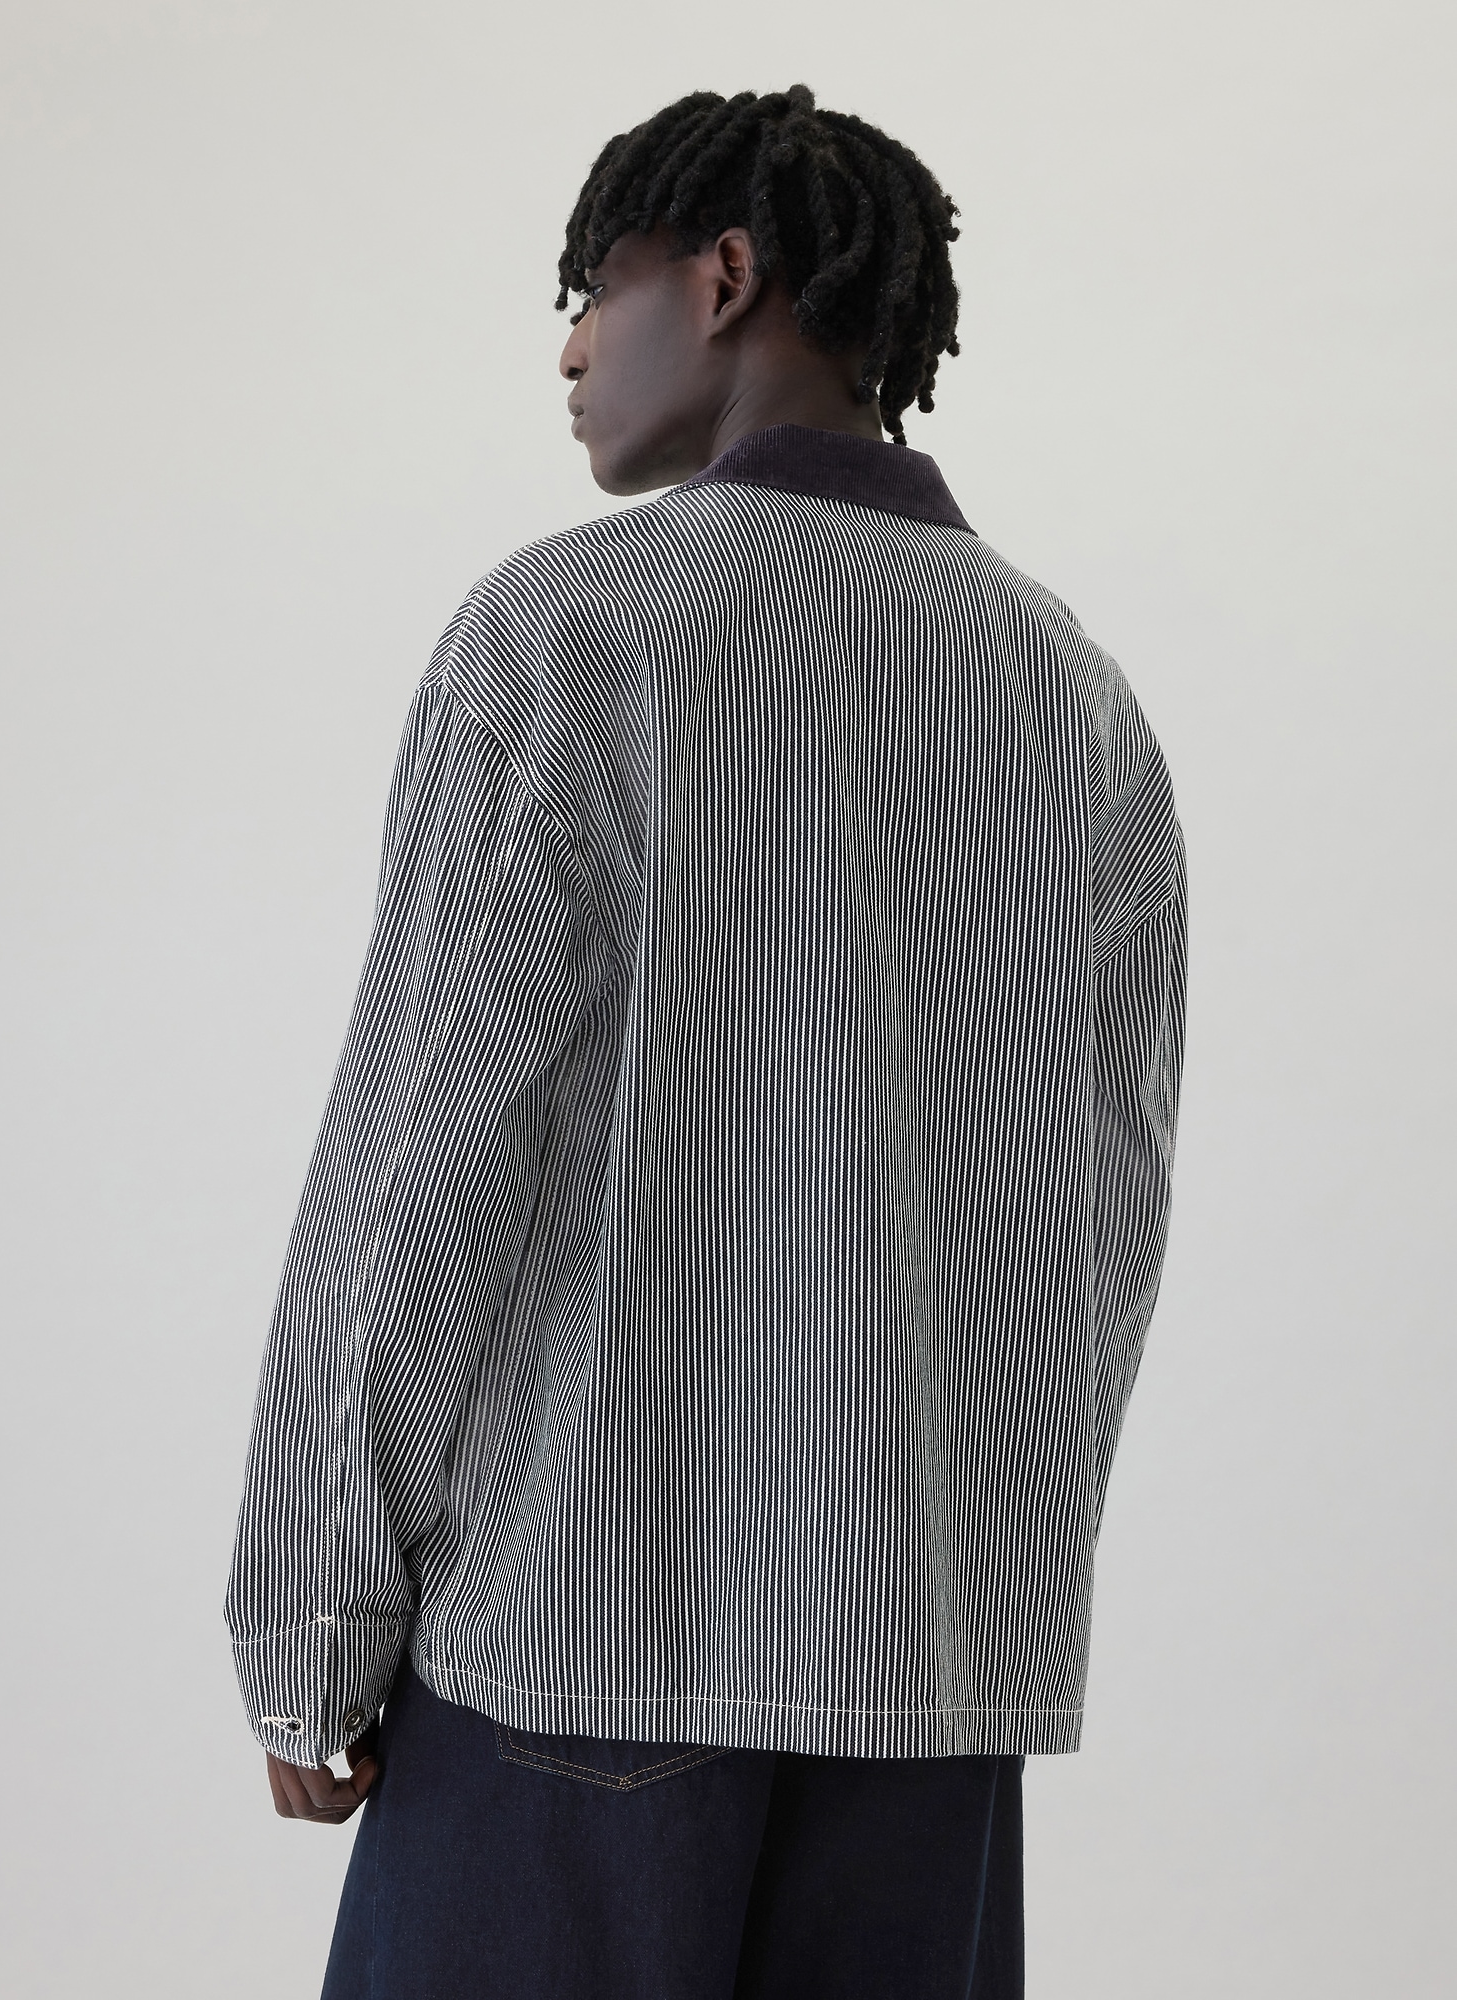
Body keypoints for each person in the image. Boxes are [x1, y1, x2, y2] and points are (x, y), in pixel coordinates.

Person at [227, 84, 1187, 2000]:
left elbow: (423, 1162)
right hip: (927, 1703)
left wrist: (312, 1612)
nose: (573, 349)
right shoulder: (1075, 699)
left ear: (726, 276)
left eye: (594, 289)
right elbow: (1104, 1223)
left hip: (576, 1673)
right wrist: (977, 1614)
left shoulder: (568, 635)